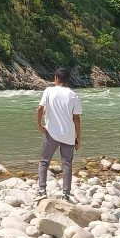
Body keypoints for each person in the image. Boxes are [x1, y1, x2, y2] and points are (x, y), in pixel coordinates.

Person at [36, 68, 82, 201]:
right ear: (68, 80)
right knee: (67, 164)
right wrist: (78, 137)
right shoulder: (74, 95)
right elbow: (76, 119)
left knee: (44, 162)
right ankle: (66, 195)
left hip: (51, 133)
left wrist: (40, 126)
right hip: (68, 135)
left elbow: (39, 109)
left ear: (56, 78)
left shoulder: (49, 91)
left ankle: (42, 191)